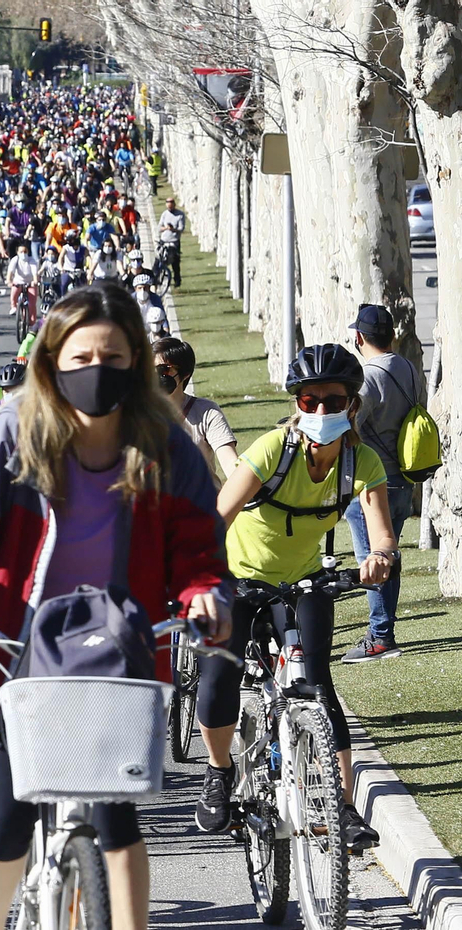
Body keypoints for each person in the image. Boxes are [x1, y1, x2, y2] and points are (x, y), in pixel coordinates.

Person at [0, 284, 232, 930]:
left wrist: (205, 593)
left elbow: (199, 545)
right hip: (0, 658)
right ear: (50, 362)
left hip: (114, 657)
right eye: (80, 357)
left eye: (114, 357)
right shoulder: (13, 434)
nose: (97, 369)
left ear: (139, 364)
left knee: (117, 816)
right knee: (4, 821)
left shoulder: (166, 445)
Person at [193, 343, 392, 853]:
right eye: (309, 401)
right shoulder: (271, 452)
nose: (322, 411)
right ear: (297, 404)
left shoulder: (362, 461)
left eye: (334, 400)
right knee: (218, 675)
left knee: (317, 683)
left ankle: (341, 806)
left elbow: (382, 534)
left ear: (352, 404)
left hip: (303, 581)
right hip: (237, 577)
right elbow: (218, 518)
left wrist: (379, 560)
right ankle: (219, 773)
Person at [343, 303, 421, 662]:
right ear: (392, 334)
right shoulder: (406, 366)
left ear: (359, 337)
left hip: (375, 482)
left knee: (373, 558)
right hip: (405, 477)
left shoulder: (368, 376)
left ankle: (379, 637)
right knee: (390, 555)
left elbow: (350, 429)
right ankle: (384, 631)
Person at [152, 337, 238, 478]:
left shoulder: (207, 413)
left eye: (163, 370)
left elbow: (231, 466)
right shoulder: (138, 415)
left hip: (203, 499)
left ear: (185, 374)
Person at [158, 197, 185, 288]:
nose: (169, 208)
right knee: (160, 261)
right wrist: (166, 228)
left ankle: (177, 280)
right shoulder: (164, 214)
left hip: (174, 242)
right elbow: (159, 228)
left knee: (175, 262)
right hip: (164, 241)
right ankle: (158, 278)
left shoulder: (180, 215)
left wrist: (173, 229)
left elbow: (181, 229)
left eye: (171, 206)